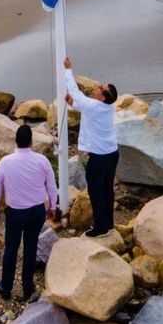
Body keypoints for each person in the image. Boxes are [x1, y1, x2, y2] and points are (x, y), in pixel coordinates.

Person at [0, 125, 57, 302]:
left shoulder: (5, 162)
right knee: (30, 247)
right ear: (31, 142)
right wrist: (53, 207)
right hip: (36, 211)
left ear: (16, 141)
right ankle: (28, 286)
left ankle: (6, 287)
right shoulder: (42, 160)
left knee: (11, 249)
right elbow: (51, 186)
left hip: (16, 213)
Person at [63, 55, 118, 237]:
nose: (96, 87)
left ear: (102, 97)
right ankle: (109, 224)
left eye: (99, 88)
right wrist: (73, 104)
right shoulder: (107, 106)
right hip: (112, 154)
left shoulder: (96, 105)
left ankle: (101, 228)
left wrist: (68, 69)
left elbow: (75, 92)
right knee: (107, 190)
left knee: (96, 192)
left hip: (100, 157)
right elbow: (84, 107)